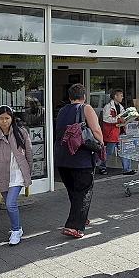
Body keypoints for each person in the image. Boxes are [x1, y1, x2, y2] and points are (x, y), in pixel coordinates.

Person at [54, 83, 104, 238]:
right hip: (81, 159)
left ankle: (81, 217)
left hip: (63, 159)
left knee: (74, 192)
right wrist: (101, 144)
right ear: (84, 96)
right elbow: (95, 130)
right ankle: (74, 226)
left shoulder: (62, 111)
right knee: (83, 192)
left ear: (69, 97)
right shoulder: (85, 108)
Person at [0, 105, 33, 245]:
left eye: (7, 118)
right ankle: (18, 228)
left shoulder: (21, 133)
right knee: (10, 204)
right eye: (1, 118)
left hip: (18, 174)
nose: (4, 121)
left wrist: (29, 171)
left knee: (10, 204)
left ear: (12, 118)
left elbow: (29, 153)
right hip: (1, 175)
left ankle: (16, 231)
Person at [101, 89, 134, 176]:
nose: (122, 97)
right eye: (121, 95)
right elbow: (106, 119)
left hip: (120, 132)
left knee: (124, 150)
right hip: (112, 133)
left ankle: (127, 169)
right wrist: (119, 119)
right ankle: (102, 167)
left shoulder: (120, 107)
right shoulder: (108, 107)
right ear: (115, 96)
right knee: (109, 152)